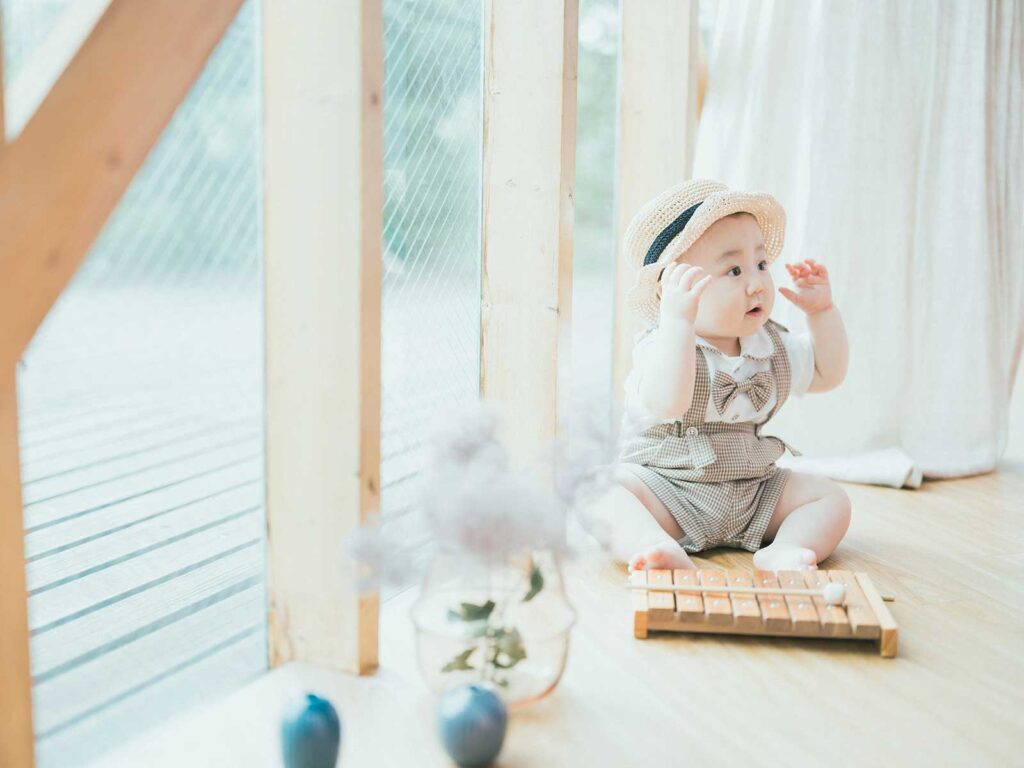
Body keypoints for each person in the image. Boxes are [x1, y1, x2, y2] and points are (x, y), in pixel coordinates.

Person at [597, 179, 851, 572]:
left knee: (830, 498)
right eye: (734, 270)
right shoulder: (661, 345)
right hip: (670, 491)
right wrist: (678, 324)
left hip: (753, 491)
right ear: (671, 289)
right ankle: (653, 545)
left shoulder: (769, 345)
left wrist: (821, 313)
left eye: (761, 264)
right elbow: (669, 401)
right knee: (602, 492)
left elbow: (826, 373)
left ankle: (787, 547)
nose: (756, 284)